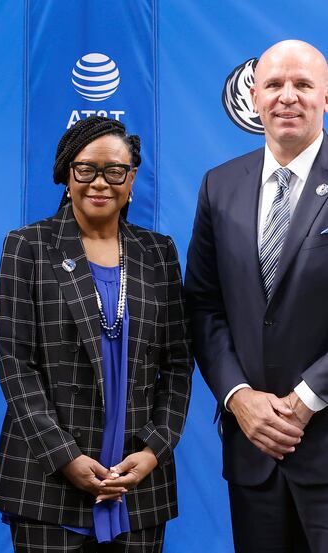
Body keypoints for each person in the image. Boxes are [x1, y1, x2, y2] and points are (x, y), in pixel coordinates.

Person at [0, 116, 192, 552]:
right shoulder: (27, 246)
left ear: (131, 177)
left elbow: (178, 365)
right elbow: (14, 364)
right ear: (66, 174)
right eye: (86, 169)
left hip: (137, 482)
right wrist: (65, 457)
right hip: (47, 479)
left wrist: (155, 449)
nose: (100, 182)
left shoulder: (159, 252)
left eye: (114, 170)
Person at [185, 39, 328, 552]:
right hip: (252, 452)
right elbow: (203, 304)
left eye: (303, 85)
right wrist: (237, 397)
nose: (287, 97)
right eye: (274, 85)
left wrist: (307, 399)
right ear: (254, 96)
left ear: (326, 96)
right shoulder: (219, 186)